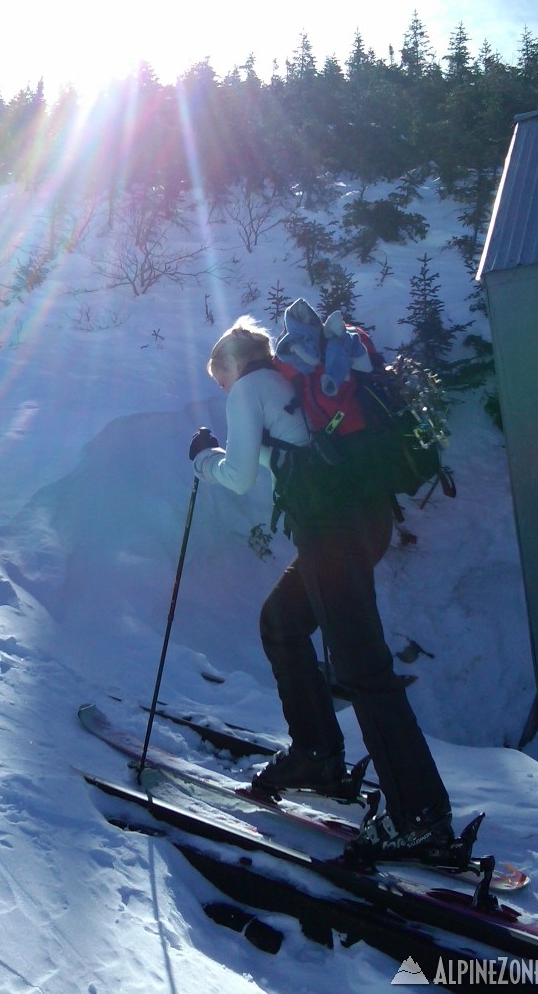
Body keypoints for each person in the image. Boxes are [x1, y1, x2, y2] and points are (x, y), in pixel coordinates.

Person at [189, 310, 453, 861]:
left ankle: (419, 816)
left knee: (363, 669)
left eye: (220, 381)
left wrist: (204, 461)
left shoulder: (248, 390)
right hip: (364, 523)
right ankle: (317, 756)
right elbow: (289, 453)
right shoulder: (290, 378)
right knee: (281, 622)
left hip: (331, 535)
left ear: (229, 368)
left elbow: (237, 478)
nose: (223, 389)